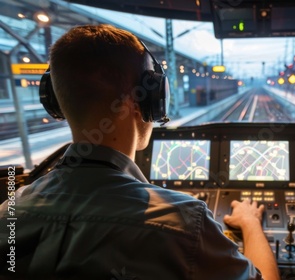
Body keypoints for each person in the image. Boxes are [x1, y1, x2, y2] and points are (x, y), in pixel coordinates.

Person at [0, 24, 280, 280]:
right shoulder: (185, 223)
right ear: (148, 101)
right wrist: (250, 222)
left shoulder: (9, 213)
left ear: (56, 102)